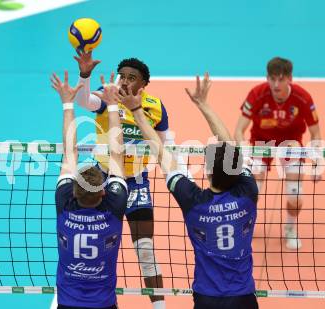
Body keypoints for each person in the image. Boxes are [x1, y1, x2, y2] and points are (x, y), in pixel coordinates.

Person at [119, 73, 259, 309]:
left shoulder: (194, 202)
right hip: (243, 297)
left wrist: (136, 112)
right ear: (235, 169)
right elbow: (231, 146)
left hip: (207, 299)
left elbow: (162, 154)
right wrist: (204, 104)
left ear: (207, 171)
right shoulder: (247, 193)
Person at [73, 51, 168, 308]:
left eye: (132, 77)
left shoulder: (156, 107)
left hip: (137, 181)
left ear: (144, 84)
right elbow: (83, 100)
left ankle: (159, 306)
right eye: (122, 76)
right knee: (97, 245)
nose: (125, 81)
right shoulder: (108, 94)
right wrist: (85, 74)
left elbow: (164, 142)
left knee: (146, 250)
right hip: (102, 180)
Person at [52, 71, 127, 309]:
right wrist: (113, 106)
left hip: (68, 304)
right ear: (103, 191)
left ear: (74, 191)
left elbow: (69, 152)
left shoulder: (65, 204)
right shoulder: (114, 208)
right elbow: (117, 154)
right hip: (104, 304)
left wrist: (67, 103)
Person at [234, 57, 322, 249]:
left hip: (291, 144)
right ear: (267, 77)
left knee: (295, 193)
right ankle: (246, 226)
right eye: (272, 79)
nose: (275, 84)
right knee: (252, 190)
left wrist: (317, 162)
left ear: (289, 78)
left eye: (280, 79)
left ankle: (290, 228)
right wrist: (245, 155)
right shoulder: (257, 94)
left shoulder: (302, 98)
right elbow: (239, 130)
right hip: (261, 142)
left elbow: (315, 132)